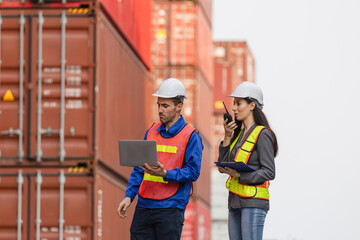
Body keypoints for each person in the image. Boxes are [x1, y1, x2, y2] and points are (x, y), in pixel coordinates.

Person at [117, 78, 203, 240]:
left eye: (165, 106)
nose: (160, 110)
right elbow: (138, 168)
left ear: (179, 107)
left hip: (170, 208)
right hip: (144, 205)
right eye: (158, 105)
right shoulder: (151, 132)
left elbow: (193, 172)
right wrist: (129, 197)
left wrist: (166, 174)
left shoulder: (191, 136)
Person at [216, 81, 278, 240]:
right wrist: (227, 137)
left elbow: (269, 172)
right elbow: (222, 165)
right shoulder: (237, 134)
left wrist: (240, 175)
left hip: (254, 203)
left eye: (238, 103)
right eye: (233, 104)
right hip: (235, 202)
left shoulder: (262, 134)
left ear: (252, 105)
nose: (234, 108)